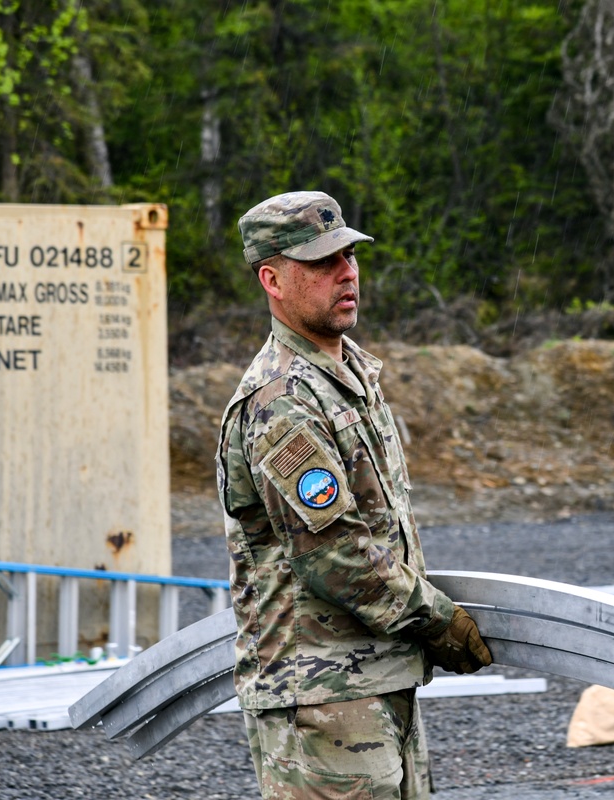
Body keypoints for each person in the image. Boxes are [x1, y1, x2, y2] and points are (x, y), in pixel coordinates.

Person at [216, 190, 492, 800]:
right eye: (320, 262)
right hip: (319, 698)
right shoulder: (281, 399)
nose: (346, 272)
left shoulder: (349, 376)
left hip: (375, 678)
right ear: (273, 280)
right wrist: (440, 622)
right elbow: (335, 556)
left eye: (348, 255)